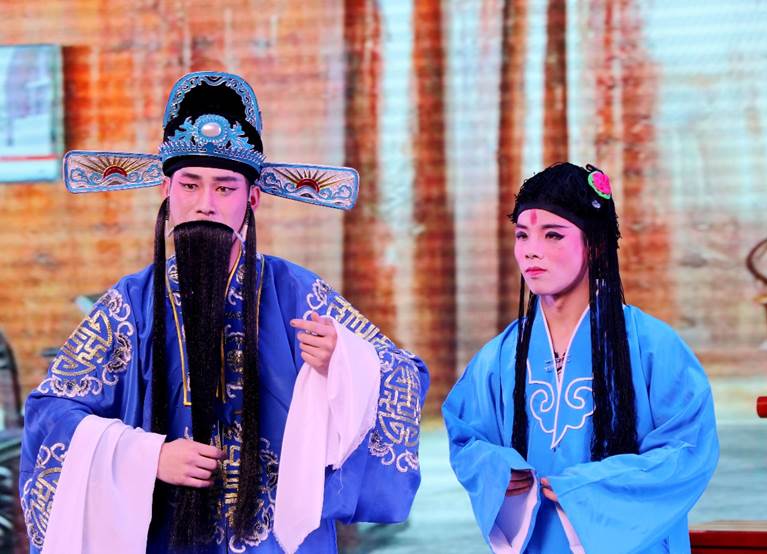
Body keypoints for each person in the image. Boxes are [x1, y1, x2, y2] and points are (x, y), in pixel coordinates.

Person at [20, 71, 429, 554]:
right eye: (190, 185)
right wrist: (147, 456)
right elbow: (51, 412)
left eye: (225, 188)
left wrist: (343, 363)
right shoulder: (128, 306)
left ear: (252, 198)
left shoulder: (299, 294)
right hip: (162, 534)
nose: (205, 205)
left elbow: (404, 376)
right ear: (166, 190)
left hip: (274, 541)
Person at [443, 162, 718, 553]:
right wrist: (495, 468)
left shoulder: (653, 346)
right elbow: (466, 437)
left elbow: (689, 450)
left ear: (596, 244)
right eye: (522, 235)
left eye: (553, 234)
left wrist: (592, 487)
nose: (531, 250)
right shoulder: (500, 355)